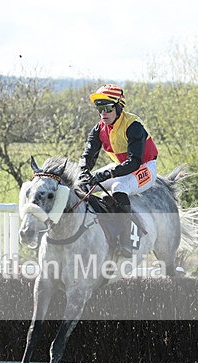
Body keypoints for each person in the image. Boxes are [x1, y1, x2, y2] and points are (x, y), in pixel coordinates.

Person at [78, 83, 159, 257]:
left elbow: (134, 163)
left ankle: (126, 241)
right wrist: (84, 171)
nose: (103, 113)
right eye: (99, 108)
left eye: (107, 108)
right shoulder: (99, 128)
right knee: (82, 185)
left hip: (144, 167)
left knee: (119, 188)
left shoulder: (134, 125)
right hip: (122, 167)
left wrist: (107, 174)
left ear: (119, 107)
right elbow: (89, 154)